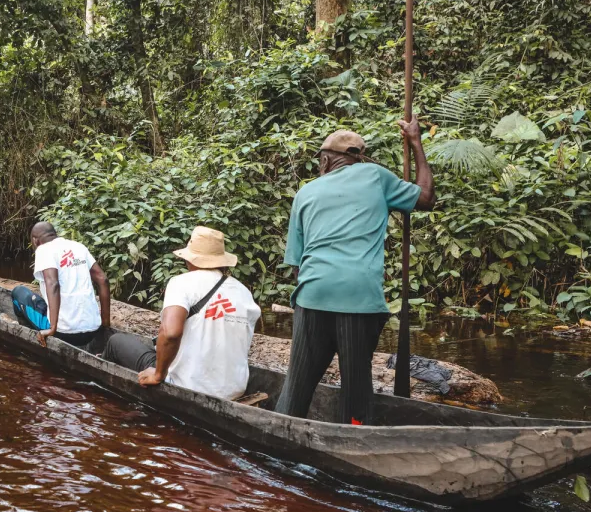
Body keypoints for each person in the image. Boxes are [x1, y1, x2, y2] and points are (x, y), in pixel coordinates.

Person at [274, 118, 436, 425]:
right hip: (359, 297)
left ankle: (283, 427)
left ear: (325, 160)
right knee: (356, 387)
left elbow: (296, 265)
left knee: (296, 387)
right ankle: (355, 428)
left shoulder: (305, 194)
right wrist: (415, 141)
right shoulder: (375, 176)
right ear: (359, 157)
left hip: (313, 292)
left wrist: (310, 300)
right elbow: (426, 197)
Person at [102, 226, 261, 400]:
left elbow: (170, 333)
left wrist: (158, 374)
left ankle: (107, 397)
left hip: (187, 385)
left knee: (115, 341)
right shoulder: (243, 292)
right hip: (234, 390)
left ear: (190, 260)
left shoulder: (182, 283)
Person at [11, 221, 111, 348]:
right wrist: (105, 324)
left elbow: (53, 284)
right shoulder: (78, 247)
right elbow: (103, 279)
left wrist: (52, 328)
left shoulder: (43, 249)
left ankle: (30, 342)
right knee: (42, 301)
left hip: (64, 333)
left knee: (18, 293)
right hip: (93, 330)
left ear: (35, 241)